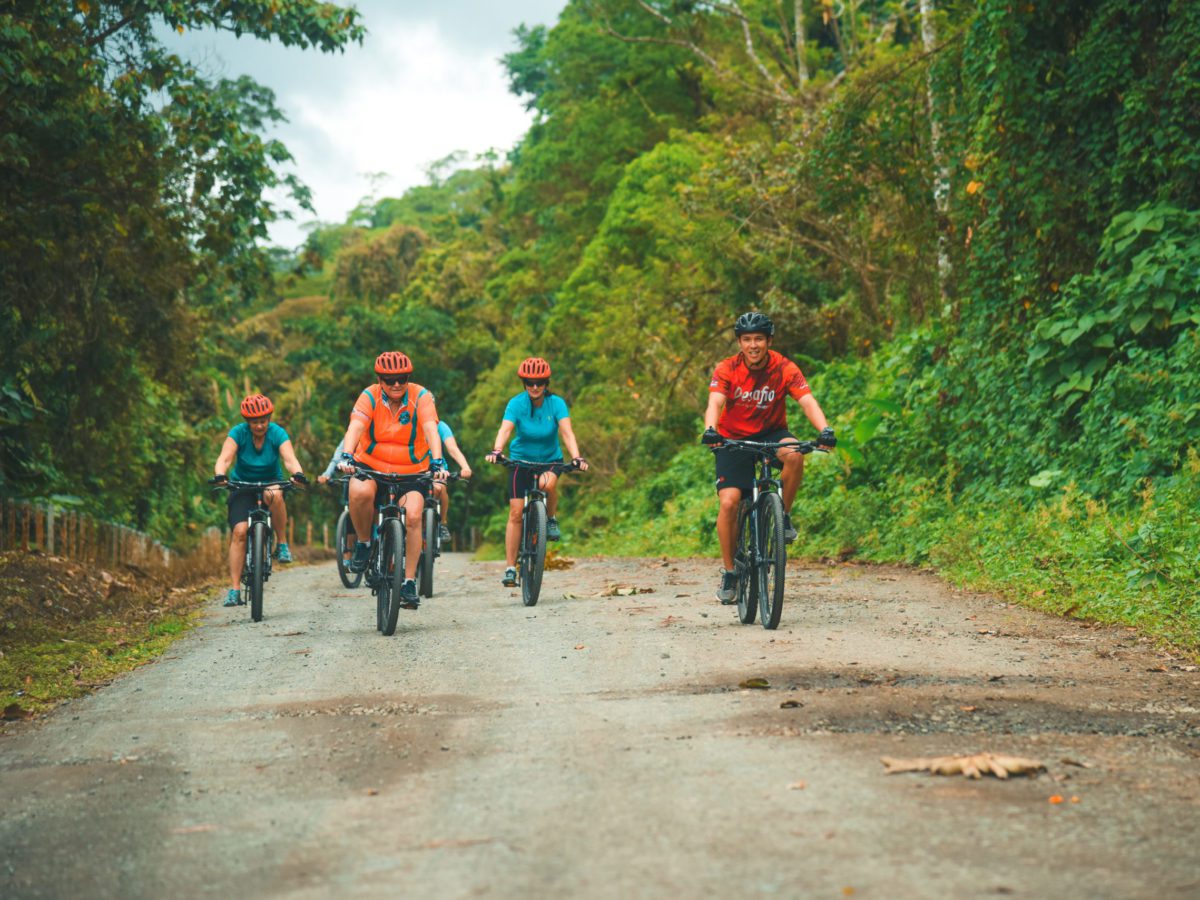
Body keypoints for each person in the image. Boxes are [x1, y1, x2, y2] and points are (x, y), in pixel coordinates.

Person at [701, 312, 836, 603]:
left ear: (769, 341)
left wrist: (824, 429)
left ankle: (782, 517)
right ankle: (730, 573)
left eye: (759, 339)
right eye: (747, 339)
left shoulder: (784, 367)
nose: (753, 345)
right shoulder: (727, 368)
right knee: (728, 502)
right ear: (739, 342)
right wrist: (711, 430)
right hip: (732, 438)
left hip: (772, 433)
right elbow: (715, 401)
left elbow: (806, 400)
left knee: (795, 455)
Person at [336, 351, 447, 610]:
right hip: (371, 465)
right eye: (389, 379)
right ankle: (364, 542)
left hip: (412, 469)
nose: (396, 384)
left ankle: (408, 581)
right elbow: (356, 426)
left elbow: (431, 428)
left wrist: (438, 461)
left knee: (415, 515)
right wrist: (346, 455)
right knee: (359, 491)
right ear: (379, 379)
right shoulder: (369, 395)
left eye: (402, 378)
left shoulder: (421, 396)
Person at [485, 357, 588, 587]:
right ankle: (511, 567)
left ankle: (550, 519)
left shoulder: (557, 404)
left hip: (550, 460)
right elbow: (506, 428)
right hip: (520, 460)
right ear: (524, 382)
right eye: (530, 382)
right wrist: (497, 450)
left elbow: (567, 433)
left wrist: (577, 457)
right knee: (515, 512)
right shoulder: (516, 404)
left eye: (539, 383)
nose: (534, 387)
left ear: (546, 383)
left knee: (547, 485)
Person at [212, 394, 307, 607]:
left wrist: (298, 473)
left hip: (270, 482)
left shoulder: (277, 433)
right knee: (239, 532)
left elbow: (290, 459)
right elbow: (225, 458)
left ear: (269, 418)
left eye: (264, 420)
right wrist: (220, 474)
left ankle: (281, 544)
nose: (260, 425)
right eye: (255, 421)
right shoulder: (238, 433)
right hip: (242, 486)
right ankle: (235, 590)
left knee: (273, 493)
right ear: (247, 421)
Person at [432, 419, 473, 544]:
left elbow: (452, 448)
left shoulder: (440, 426)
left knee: (440, 488)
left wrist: (465, 467)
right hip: (413, 464)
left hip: (437, 466)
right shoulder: (409, 422)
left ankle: (442, 524)